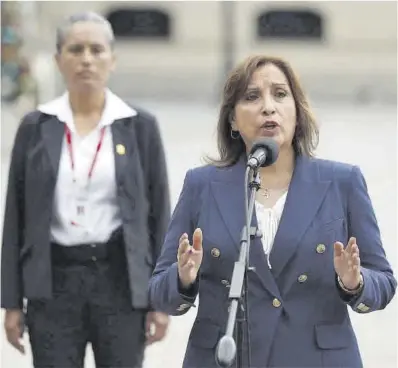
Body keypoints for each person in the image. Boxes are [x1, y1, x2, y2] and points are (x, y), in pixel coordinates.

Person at [148, 54, 397, 368]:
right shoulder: (202, 185)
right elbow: (159, 292)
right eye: (252, 97)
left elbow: (384, 284)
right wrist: (183, 278)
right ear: (233, 121)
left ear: (297, 110)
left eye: (280, 94)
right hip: (225, 358)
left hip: (317, 359)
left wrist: (354, 282)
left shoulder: (342, 182)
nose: (268, 107)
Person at [1, 11, 171, 368]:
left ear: (112, 59)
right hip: (53, 283)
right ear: (58, 60)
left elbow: (159, 214)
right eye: (76, 50)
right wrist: (12, 301)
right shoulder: (35, 126)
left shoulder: (140, 127)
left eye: (96, 50)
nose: (86, 59)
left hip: (120, 281)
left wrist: (159, 298)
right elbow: (16, 217)